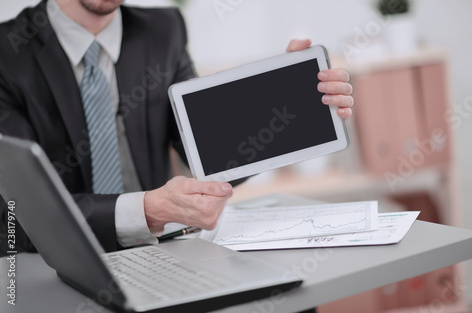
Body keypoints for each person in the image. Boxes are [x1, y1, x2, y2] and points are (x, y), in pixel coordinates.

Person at [0, 0, 354, 254]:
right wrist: (148, 209)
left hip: (160, 253)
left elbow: (210, 155)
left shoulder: (163, 30)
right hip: (51, 265)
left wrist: (285, 101)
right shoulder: (7, 53)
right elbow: (16, 214)